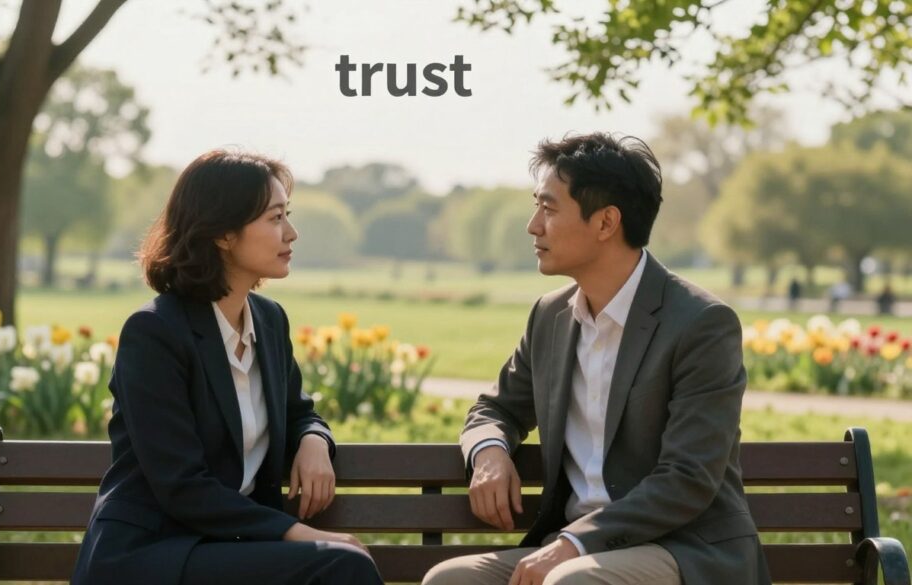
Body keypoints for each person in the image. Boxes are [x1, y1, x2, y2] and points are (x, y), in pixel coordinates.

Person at [423, 133, 770, 585]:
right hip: (571, 547)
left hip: (680, 549)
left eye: (548, 209)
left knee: (573, 583)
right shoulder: (551, 315)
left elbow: (687, 477)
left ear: (606, 223)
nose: (532, 225)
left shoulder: (702, 324)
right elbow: (496, 408)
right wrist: (489, 452)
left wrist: (575, 544)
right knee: (449, 581)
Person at [71, 150, 382, 585]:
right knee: (341, 564)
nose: (291, 233)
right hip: (152, 556)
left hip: (230, 550)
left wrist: (313, 439)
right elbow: (181, 485)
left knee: (341, 563)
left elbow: (299, 412)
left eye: (286, 215)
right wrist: (300, 532)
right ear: (222, 233)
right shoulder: (155, 333)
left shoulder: (269, 321)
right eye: (275, 219)